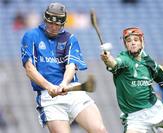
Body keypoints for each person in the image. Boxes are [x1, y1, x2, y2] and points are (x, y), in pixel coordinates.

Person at [21, 2, 107, 133]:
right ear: (45, 19)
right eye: (50, 23)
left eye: (57, 24)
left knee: (99, 130)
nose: (53, 27)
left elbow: (71, 65)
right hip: (49, 98)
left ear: (63, 23)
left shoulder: (69, 38)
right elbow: (29, 69)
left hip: (72, 90)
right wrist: (49, 86)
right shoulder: (31, 36)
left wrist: (64, 83)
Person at [100, 27, 163, 133]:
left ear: (142, 42)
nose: (132, 43)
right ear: (125, 45)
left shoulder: (150, 63)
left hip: (156, 109)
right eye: (129, 41)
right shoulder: (124, 59)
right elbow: (114, 63)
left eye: (136, 40)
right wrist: (107, 59)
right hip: (135, 118)